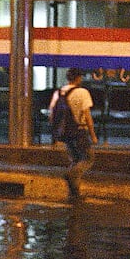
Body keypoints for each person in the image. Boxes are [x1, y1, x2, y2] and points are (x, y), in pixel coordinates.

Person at [48, 67, 98, 200]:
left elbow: (51, 115)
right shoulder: (82, 92)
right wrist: (93, 134)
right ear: (78, 78)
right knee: (88, 158)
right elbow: (87, 115)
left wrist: (57, 131)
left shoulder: (58, 92)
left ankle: (74, 192)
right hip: (79, 130)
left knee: (75, 159)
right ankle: (70, 174)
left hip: (65, 132)